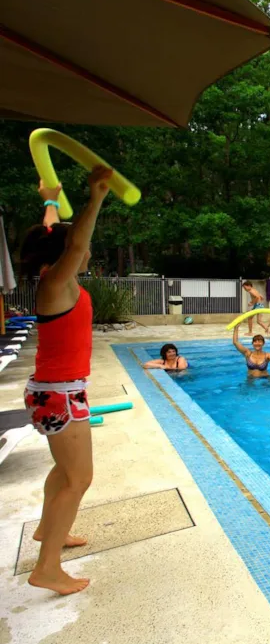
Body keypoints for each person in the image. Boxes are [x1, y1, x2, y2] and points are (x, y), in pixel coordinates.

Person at [21, 167, 112, 595]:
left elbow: (55, 236)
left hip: (53, 391)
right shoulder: (57, 282)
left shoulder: (51, 278)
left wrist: (51, 199)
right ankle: (48, 568)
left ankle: (47, 531)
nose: (86, 249)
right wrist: (95, 197)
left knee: (65, 471)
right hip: (60, 395)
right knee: (79, 479)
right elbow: (73, 242)